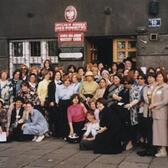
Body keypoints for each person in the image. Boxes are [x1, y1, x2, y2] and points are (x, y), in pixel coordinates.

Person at [149, 71, 168, 157]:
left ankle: (164, 150)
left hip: (162, 113)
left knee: (162, 132)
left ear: (164, 77)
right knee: (157, 132)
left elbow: (165, 101)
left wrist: (154, 105)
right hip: (156, 112)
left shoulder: (165, 87)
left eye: (160, 77)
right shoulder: (157, 87)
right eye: (157, 77)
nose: (158, 78)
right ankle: (160, 148)